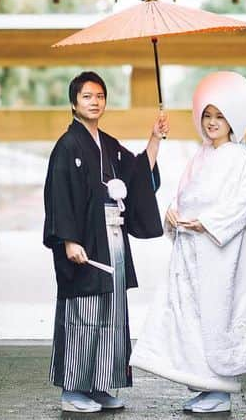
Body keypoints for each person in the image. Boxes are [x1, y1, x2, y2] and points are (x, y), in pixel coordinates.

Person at [130, 70, 246, 414]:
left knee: (215, 314)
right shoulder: (201, 155)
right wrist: (173, 215)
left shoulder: (238, 157)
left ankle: (220, 388)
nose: (212, 122)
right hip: (190, 250)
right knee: (190, 318)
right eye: (207, 115)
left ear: (232, 119)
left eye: (220, 116)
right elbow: (184, 196)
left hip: (217, 253)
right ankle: (204, 385)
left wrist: (207, 223)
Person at [43, 70, 170, 413]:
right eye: (87, 96)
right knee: (82, 315)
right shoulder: (67, 146)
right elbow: (60, 196)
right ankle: (73, 390)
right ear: (74, 103)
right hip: (83, 242)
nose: (94, 102)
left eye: (99, 96)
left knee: (111, 316)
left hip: (111, 242)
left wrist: (155, 138)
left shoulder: (109, 146)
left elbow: (138, 174)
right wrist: (68, 240)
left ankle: (100, 385)